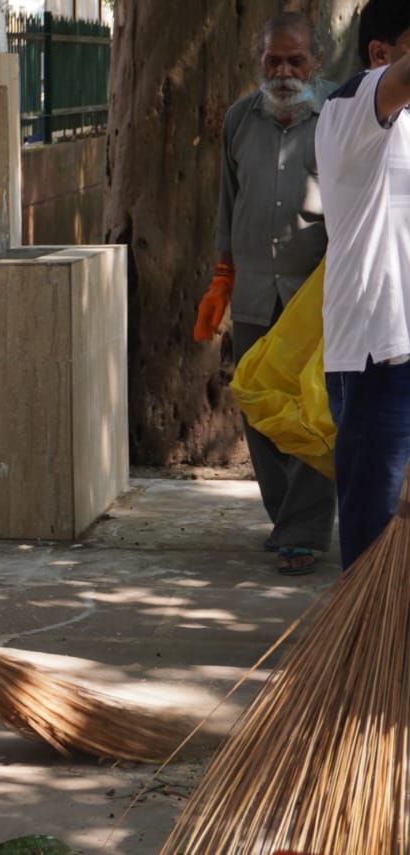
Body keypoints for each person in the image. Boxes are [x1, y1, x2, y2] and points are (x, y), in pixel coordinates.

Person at [192, 12, 337, 575]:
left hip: (315, 298)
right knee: (256, 406)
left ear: (315, 62)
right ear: (259, 62)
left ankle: (303, 531)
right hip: (254, 289)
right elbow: (229, 200)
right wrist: (221, 278)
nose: (282, 71)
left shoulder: (337, 120)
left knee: (310, 413)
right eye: (272, 61)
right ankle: (287, 522)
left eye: (294, 60)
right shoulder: (239, 119)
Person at [314, 0, 410, 570]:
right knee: (376, 549)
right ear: (380, 53)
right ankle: (366, 657)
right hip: (379, 356)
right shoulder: (352, 109)